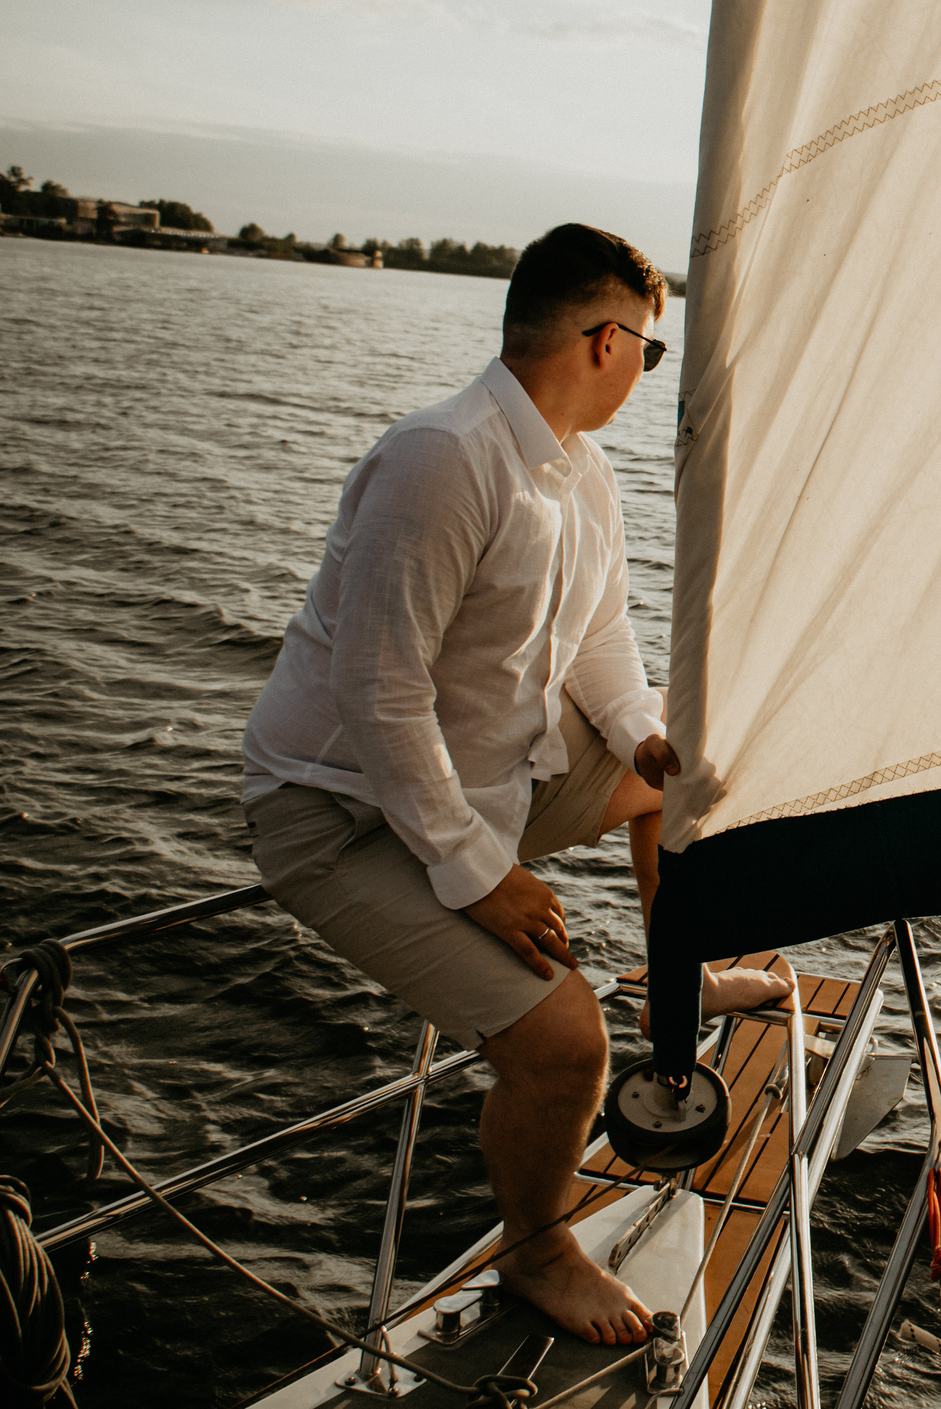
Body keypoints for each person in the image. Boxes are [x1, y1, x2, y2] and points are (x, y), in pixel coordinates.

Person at [239, 223, 787, 1345]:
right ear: (604, 339)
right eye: (653, 348)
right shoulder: (444, 458)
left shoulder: (579, 475)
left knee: (673, 785)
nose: (650, 370)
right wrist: (483, 879)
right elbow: (378, 693)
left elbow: (601, 648)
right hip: (336, 814)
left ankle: (677, 975)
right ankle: (538, 1252)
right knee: (567, 1045)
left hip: (480, 780)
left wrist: (644, 739)